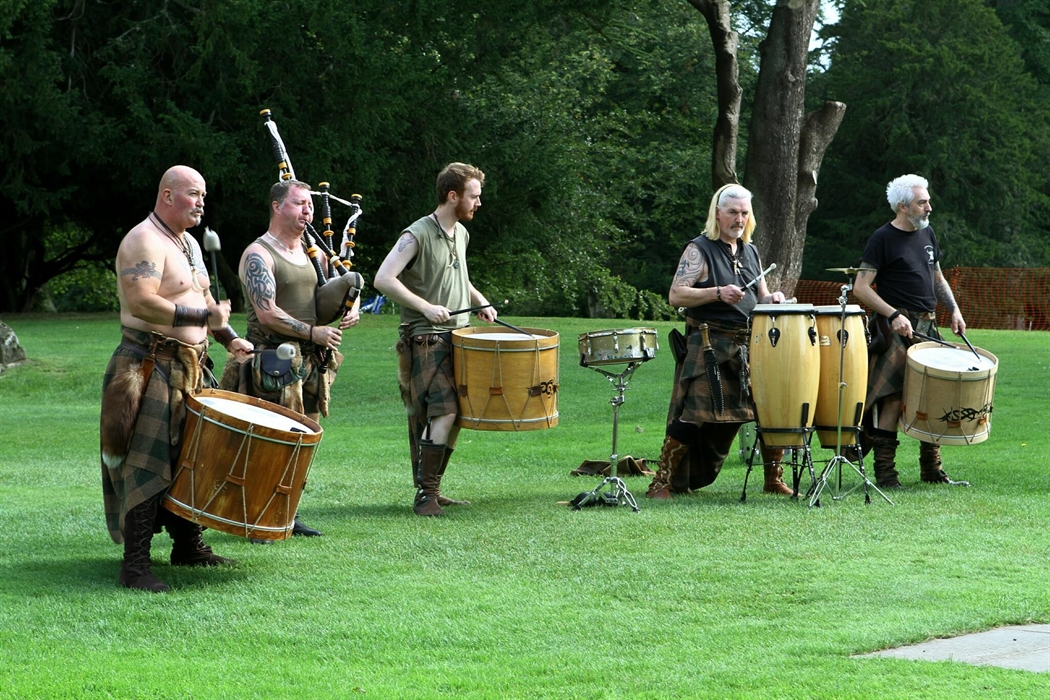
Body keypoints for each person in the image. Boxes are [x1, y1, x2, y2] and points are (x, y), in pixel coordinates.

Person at [100, 165, 252, 592]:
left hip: (190, 366)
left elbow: (204, 299)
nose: (201, 202)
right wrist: (204, 316)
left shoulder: (187, 242)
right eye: (193, 194)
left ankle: (188, 545)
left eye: (203, 195)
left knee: (193, 457)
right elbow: (142, 302)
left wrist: (229, 338)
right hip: (150, 365)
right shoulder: (143, 240)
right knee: (148, 462)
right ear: (167, 195)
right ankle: (135, 566)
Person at [226, 179, 361, 538]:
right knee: (269, 440)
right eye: (300, 204)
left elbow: (340, 282)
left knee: (304, 437)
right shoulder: (258, 254)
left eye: (310, 206)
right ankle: (256, 517)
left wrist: (353, 303)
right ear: (277, 206)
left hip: (311, 361)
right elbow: (267, 312)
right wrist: (313, 332)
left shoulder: (311, 251)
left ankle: (287, 513)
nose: (308, 211)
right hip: (273, 359)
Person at [646, 183, 792, 498]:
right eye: (732, 212)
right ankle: (662, 482)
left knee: (769, 410)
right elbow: (676, 295)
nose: (739, 219)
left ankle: (773, 480)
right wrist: (717, 292)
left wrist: (774, 298)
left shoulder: (751, 251)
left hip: (749, 346)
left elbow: (761, 297)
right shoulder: (699, 249)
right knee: (693, 414)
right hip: (709, 345)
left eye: (744, 213)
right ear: (717, 213)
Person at [373, 162, 497, 516]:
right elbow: (383, 278)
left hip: (460, 337)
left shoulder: (462, 233)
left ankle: (434, 490)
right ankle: (425, 495)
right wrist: (425, 307)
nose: (478, 203)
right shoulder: (417, 234)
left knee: (456, 415)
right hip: (426, 339)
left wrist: (479, 301)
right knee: (444, 411)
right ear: (452, 196)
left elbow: (458, 276)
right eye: (473, 196)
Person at [852, 174, 968, 488]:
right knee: (892, 397)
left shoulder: (927, 232)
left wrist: (954, 310)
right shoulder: (882, 238)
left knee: (934, 394)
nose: (929, 207)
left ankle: (932, 470)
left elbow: (937, 277)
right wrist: (891, 315)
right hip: (897, 327)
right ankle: (886, 475)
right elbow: (861, 287)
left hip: (928, 324)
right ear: (903, 207)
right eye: (922, 202)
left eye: (928, 201)